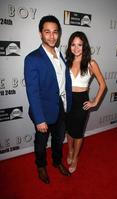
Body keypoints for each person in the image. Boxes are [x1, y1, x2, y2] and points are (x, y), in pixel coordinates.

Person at [24, 15, 72, 184]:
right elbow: (32, 91)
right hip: (43, 111)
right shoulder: (32, 58)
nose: (52, 36)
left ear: (58, 34)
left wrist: (68, 105)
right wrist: (39, 119)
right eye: (47, 32)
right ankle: (41, 166)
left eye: (55, 32)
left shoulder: (60, 55)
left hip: (61, 106)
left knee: (59, 139)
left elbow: (64, 83)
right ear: (40, 34)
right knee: (41, 142)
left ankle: (57, 162)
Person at [65, 31, 107, 173]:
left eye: (80, 45)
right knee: (69, 130)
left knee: (78, 133)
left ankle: (75, 157)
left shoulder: (91, 63)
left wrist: (95, 101)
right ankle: (69, 151)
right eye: (73, 44)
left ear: (85, 46)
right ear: (70, 46)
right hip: (68, 100)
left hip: (81, 100)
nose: (76, 48)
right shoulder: (67, 61)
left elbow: (103, 85)